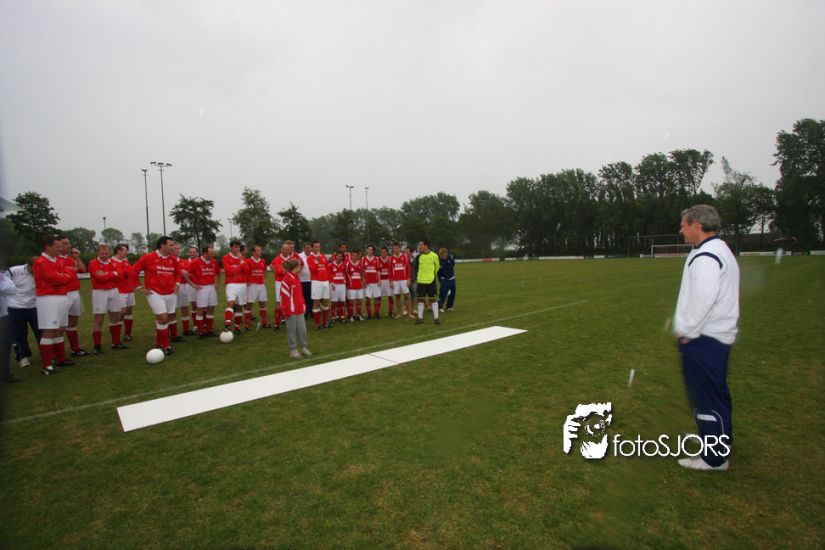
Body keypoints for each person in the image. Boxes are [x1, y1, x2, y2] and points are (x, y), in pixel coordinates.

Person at [673, 204, 739, 472]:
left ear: (697, 225)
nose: (681, 230)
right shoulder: (717, 249)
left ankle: (714, 458)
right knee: (716, 393)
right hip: (715, 336)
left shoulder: (707, 256)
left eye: (684, 225)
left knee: (706, 397)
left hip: (704, 337)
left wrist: (687, 332)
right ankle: (720, 440)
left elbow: (703, 299)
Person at [33, 235, 74, 374]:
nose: (60, 248)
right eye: (57, 246)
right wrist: (66, 276)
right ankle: (46, 364)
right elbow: (55, 278)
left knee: (60, 328)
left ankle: (61, 359)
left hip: (61, 296)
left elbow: (67, 274)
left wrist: (65, 276)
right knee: (49, 330)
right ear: (47, 247)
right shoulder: (41, 262)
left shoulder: (57, 260)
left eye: (61, 246)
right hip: (48, 298)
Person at [132, 236, 180, 355]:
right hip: (155, 293)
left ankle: (160, 344)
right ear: (162, 245)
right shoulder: (148, 257)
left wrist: (177, 283)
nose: (173, 247)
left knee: (166, 319)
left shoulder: (172, 259)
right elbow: (133, 271)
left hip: (170, 293)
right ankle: (166, 346)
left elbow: (177, 272)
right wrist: (139, 287)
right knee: (163, 318)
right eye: (171, 245)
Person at [88, 244, 126, 354]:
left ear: (109, 253)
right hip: (99, 292)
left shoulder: (114, 262)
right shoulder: (93, 263)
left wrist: (106, 274)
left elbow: (120, 276)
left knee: (115, 317)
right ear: (98, 253)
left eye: (106, 253)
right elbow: (99, 277)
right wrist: (112, 274)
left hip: (113, 290)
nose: (104, 255)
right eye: (102, 253)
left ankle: (116, 343)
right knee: (99, 319)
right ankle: (97, 346)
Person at [7, 258, 39, 368]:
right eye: (34, 268)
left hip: (34, 306)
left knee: (40, 331)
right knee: (19, 334)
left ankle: (46, 354)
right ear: (29, 266)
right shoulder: (14, 270)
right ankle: (23, 357)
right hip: (16, 307)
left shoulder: (41, 271)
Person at [60, 237, 89, 357]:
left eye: (69, 243)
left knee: (73, 322)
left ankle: (75, 348)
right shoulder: (55, 259)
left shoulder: (70, 259)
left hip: (74, 292)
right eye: (65, 244)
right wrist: (73, 270)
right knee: (60, 324)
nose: (69, 246)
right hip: (63, 294)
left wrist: (77, 257)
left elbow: (83, 269)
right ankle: (58, 353)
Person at [279, 259, 311, 359]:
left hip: (299, 309)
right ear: (296, 267)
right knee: (291, 330)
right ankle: (292, 350)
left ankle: (304, 347)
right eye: (299, 265)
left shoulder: (296, 277)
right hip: (291, 311)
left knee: (302, 330)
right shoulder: (286, 279)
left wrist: (303, 305)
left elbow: (300, 294)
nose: (301, 267)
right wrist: (287, 310)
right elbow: (284, 297)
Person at [186, 245, 220, 338]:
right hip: (201, 288)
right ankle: (200, 332)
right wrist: (192, 284)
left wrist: (218, 283)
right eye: (211, 253)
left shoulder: (214, 261)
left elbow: (218, 273)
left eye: (213, 253)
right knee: (200, 309)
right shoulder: (196, 261)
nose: (213, 255)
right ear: (205, 253)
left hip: (211, 287)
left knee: (211, 308)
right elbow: (184, 272)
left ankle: (208, 330)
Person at [112, 244, 138, 340]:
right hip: (120, 291)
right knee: (121, 312)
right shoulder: (111, 262)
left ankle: (127, 334)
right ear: (119, 251)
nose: (126, 252)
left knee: (129, 310)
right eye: (125, 251)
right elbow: (121, 275)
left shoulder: (125, 261)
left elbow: (130, 272)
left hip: (129, 289)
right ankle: (116, 337)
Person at [223, 240, 249, 334]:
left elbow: (247, 270)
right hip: (231, 284)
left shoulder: (243, 258)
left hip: (242, 284)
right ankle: (227, 324)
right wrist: (240, 269)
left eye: (238, 247)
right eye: (235, 247)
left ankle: (237, 328)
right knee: (231, 302)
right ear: (231, 247)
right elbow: (229, 271)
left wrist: (241, 260)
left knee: (239, 306)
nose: (237, 249)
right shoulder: (226, 257)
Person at [271, 242, 298, 330]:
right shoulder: (277, 259)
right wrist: (290, 271)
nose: (286, 251)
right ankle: (277, 323)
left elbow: (296, 270)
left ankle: (286, 319)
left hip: (289, 282)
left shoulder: (291, 259)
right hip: (280, 282)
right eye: (284, 249)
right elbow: (280, 271)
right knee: (279, 302)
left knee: (289, 301)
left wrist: (289, 270)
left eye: (287, 249)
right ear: (281, 250)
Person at [415, 239, 441, 325]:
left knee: (433, 299)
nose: (419, 246)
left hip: (431, 281)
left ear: (426, 246)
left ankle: (436, 318)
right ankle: (420, 318)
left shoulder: (434, 256)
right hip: (421, 281)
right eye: (419, 245)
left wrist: (431, 275)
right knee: (420, 299)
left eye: (421, 245)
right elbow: (416, 268)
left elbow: (437, 267)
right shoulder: (418, 257)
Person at [307, 240, 332, 329]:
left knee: (325, 301)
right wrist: (316, 262)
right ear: (312, 248)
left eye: (318, 246)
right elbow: (312, 271)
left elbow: (327, 269)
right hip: (316, 282)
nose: (317, 248)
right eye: (315, 247)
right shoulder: (310, 258)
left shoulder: (323, 256)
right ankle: (317, 324)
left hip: (325, 281)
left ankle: (325, 322)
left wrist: (330, 280)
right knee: (316, 302)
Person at [0, 262, 18, 383]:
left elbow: (12, 289)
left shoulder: (2, 276)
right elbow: (6, 288)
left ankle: (5, 374)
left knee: (5, 346)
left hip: (3, 314)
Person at [245, 245, 270, 329]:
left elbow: (265, 270)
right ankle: (247, 324)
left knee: (262, 303)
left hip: (261, 285)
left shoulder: (262, 261)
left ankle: (264, 322)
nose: (260, 252)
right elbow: (245, 272)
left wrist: (264, 279)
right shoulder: (248, 261)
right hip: (252, 285)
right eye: (258, 250)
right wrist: (247, 281)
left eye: (260, 250)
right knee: (249, 304)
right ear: (253, 252)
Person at [389, 243, 413, 319]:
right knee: (397, 297)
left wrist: (408, 279)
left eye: (396, 248)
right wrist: (391, 281)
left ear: (399, 248)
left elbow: (408, 269)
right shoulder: (391, 258)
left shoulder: (405, 256)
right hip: (395, 281)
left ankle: (409, 313)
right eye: (394, 248)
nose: (395, 249)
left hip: (404, 280)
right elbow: (390, 271)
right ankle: (400, 313)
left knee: (407, 296)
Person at [361, 245, 381, 319]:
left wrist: (379, 280)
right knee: (368, 298)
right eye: (368, 249)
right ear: (367, 250)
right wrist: (363, 280)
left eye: (371, 249)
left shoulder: (377, 259)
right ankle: (369, 314)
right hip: (367, 283)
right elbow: (362, 271)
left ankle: (377, 313)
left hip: (375, 282)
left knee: (377, 298)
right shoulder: (363, 259)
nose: (370, 251)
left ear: (373, 251)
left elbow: (378, 270)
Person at [345, 249, 365, 321]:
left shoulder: (360, 264)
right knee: (351, 301)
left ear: (358, 256)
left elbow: (362, 273)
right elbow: (345, 274)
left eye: (356, 255)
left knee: (359, 301)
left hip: (359, 286)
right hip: (351, 286)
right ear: (351, 256)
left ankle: (359, 315)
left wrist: (363, 281)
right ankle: (351, 316)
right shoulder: (348, 264)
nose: (354, 257)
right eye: (353, 255)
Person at [329, 251, 348, 324]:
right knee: (334, 302)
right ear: (335, 256)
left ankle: (342, 317)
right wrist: (331, 283)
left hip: (342, 285)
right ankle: (333, 317)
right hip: (334, 285)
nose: (339, 257)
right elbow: (329, 275)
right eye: (338, 256)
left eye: (341, 256)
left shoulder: (344, 265)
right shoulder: (331, 265)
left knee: (342, 301)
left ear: (343, 257)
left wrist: (344, 282)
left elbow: (345, 274)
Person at [437, 247, 457, 312]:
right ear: (440, 255)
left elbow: (453, 264)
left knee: (452, 293)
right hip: (444, 280)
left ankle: (449, 306)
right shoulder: (439, 262)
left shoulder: (450, 258)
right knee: (443, 294)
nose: (445, 255)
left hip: (452, 279)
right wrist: (441, 281)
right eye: (443, 255)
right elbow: (438, 273)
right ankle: (439, 307)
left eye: (446, 254)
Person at [297, 242, 313, 319]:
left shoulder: (313, 255)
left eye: (309, 247)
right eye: (306, 247)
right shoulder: (299, 256)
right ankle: (305, 312)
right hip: (302, 280)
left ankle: (312, 312)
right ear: (303, 248)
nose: (308, 249)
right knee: (304, 297)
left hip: (313, 280)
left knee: (312, 297)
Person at [378, 246, 394, 318]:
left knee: (390, 296)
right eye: (381, 252)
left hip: (388, 280)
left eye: (384, 252)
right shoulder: (378, 259)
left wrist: (391, 280)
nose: (382, 253)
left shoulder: (390, 259)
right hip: (380, 280)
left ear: (387, 252)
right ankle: (377, 313)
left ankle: (390, 312)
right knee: (378, 297)